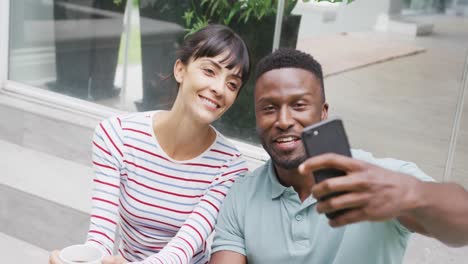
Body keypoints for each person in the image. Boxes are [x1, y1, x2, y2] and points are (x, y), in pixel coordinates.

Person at [209, 48, 468, 264]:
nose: (284, 121)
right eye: (269, 108)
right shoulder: (242, 195)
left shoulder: (376, 178)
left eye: (299, 105)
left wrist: (412, 195)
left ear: (323, 113)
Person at [49, 24, 251, 264]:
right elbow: (100, 238)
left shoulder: (231, 167)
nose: (219, 89)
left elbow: (181, 250)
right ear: (180, 70)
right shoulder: (116, 135)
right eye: (209, 71)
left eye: (232, 84)